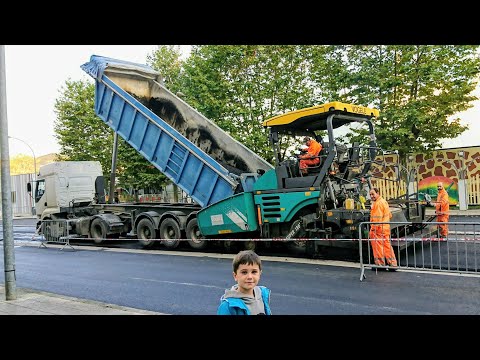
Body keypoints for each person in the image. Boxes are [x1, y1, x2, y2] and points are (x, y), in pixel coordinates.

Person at [217, 250, 272, 315]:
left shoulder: (263, 295)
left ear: (260, 274)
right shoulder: (228, 306)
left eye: (254, 272)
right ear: (235, 276)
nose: (249, 277)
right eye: (244, 272)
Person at [369, 187, 398, 270]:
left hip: (378, 230)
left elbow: (376, 219)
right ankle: (393, 264)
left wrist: (373, 230)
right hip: (385, 228)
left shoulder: (377, 204)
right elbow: (389, 215)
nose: (371, 196)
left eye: (373, 194)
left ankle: (380, 265)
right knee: (387, 247)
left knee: (378, 248)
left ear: (377, 193)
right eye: (370, 195)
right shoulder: (384, 201)